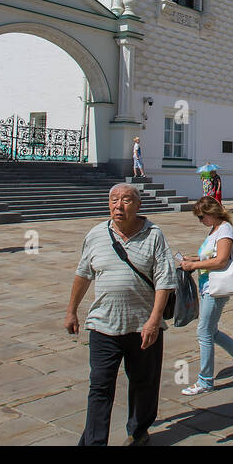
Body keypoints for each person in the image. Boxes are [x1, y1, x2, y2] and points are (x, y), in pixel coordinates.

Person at [67, 183, 174, 446]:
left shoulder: (154, 235)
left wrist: (154, 320)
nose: (118, 205)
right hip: (103, 325)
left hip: (143, 327)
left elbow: (165, 281)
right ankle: (94, 441)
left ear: (138, 205)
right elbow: (83, 274)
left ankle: (138, 432)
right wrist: (71, 311)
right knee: (100, 386)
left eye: (126, 200)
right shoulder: (95, 235)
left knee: (143, 385)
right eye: (114, 200)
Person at [178, 197, 233, 395]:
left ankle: (205, 380)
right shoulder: (215, 229)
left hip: (216, 288)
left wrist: (193, 266)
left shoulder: (224, 230)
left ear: (212, 212)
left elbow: (221, 260)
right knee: (210, 331)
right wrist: (193, 258)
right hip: (208, 285)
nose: (200, 221)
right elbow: (211, 255)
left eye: (201, 216)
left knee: (204, 332)